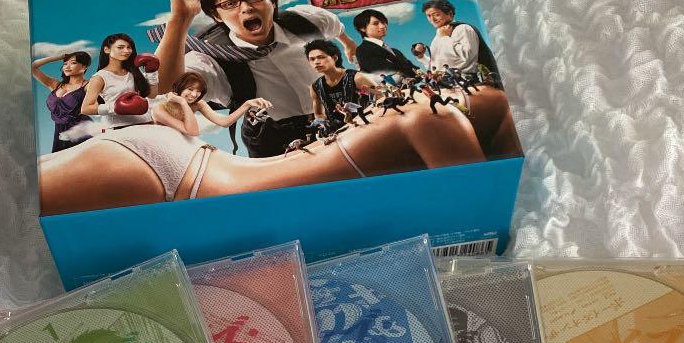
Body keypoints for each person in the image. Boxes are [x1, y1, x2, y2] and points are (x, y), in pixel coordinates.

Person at [37, 83, 521, 213]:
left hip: (184, 164)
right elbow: (476, 215)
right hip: (185, 179)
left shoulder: (413, 109)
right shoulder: (436, 115)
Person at [147, 0, 358, 157]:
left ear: (272, 2)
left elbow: (335, 26)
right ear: (217, 15)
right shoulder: (211, 57)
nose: (246, 8)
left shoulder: (305, 20)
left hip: (336, 115)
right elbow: (165, 87)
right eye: (230, 3)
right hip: (272, 138)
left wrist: (349, 45)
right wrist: (179, 21)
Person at [80, 34, 161, 133]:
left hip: (145, 123)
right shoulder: (99, 77)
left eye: (129, 47)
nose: (126, 51)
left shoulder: (133, 72)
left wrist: (152, 72)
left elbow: (152, 95)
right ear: (107, 50)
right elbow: (86, 108)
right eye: (120, 47)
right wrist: (114, 107)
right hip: (117, 128)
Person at [152, 71, 270, 134]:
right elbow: (192, 131)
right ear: (180, 87)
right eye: (190, 89)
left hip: (181, 142)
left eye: (198, 91)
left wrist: (247, 104)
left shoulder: (198, 104)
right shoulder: (160, 108)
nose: (194, 95)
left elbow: (224, 122)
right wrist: (183, 103)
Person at [422, 0, 502, 84]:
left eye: (436, 15)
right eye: (429, 16)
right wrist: (421, 57)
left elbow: (467, 56)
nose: (432, 19)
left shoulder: (463, 29)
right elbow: (437, 64)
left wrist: (445, 38)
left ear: (450, 13)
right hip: (443, 83)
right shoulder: (438, 36)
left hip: (463, 83)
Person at [305, 40, 376, 130]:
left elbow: (379, 98)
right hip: (339, 132)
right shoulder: (315, 87)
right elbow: (319, 114)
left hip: (366, 126)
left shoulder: (356, 78)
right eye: (312, 59)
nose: (316, 62)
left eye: (321, 57)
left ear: (334, 58)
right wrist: (321, 122)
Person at [31, 50, 92, 152]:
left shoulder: (89, 85)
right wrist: (58, 57)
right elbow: (33, 67)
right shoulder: (56, 84)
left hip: (80, 131)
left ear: (84, 67)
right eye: (65, 64)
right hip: (60, 132)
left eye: (73, 63)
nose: (67, 67)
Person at [351, 9, 416, 78]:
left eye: (383, 22)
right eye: (375, 23)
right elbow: (386, 74)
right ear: (362, 28)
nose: (382, 26)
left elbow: (416, 72)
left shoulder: (396, 52)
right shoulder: (363, 50)